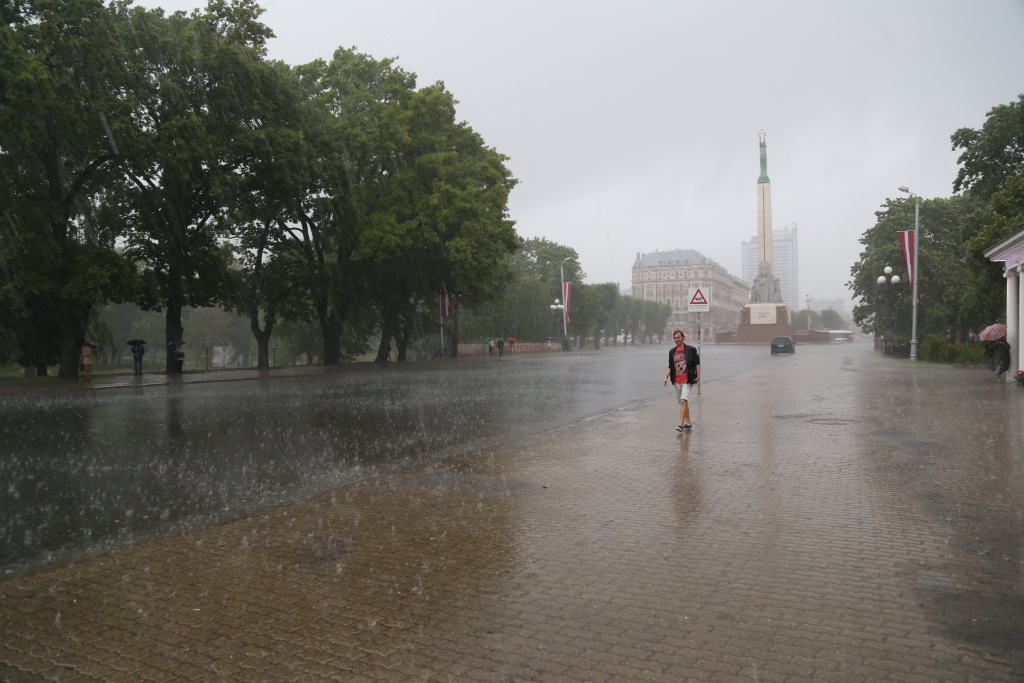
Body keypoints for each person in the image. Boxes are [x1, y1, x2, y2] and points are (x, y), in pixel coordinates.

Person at [662, 329, 700, 432]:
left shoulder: (691, 349)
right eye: (675, 338)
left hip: (687, 379)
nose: (677, 339)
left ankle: (680, 425)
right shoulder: (672, 352)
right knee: (683, 402)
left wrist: (698, 375)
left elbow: (697, 363)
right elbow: (670, 366)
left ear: (683, 337)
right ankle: (688, 423)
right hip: (677, 380)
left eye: (678, 337)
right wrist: (665, 377)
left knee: (683, 401)